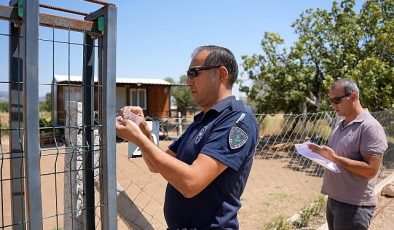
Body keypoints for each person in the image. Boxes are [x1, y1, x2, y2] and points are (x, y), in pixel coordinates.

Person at [116, 45, 259, 229]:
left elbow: (191, 183)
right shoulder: (203, 120)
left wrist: (139, 140)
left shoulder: (237, 119)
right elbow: (155, 165)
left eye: (194, 73)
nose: (188, 81)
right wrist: (144, 131)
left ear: (221, 74)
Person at [308, 78, 387, 230]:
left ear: (353, 97)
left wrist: (335, 159)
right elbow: (337, 157)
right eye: (330, 101)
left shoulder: (370, 127)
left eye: (337, 100)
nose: (332, 105)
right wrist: (319, 153)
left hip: (354, 206)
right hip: (334, 200)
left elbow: (371, 170)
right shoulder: (340, 124)